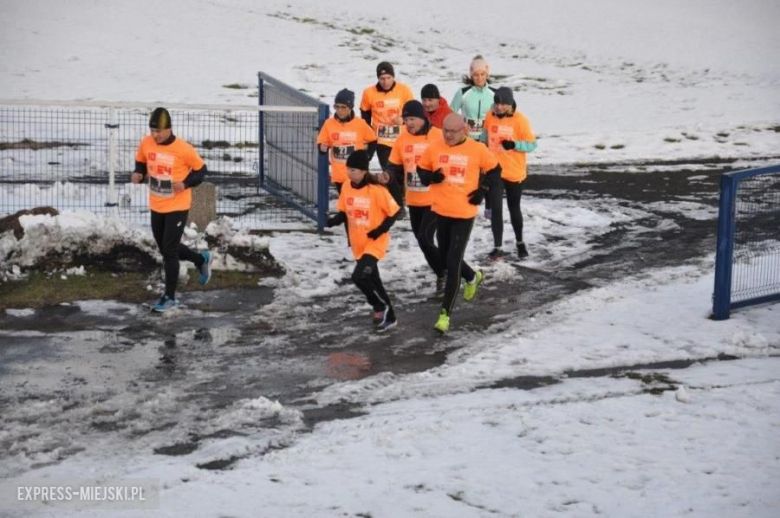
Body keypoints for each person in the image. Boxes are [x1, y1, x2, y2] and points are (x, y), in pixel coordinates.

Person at [417, 114, 501, 334]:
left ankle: (445, 315)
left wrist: (482, 190)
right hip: (440, 210)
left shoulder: (477, 149)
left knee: (453, 263)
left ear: (464, 130)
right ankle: (473, 276)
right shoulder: (434, 147)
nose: (448, 135)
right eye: (445, 130)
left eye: (453, 131)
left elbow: (495, 171)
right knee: (445, 259)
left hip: (464, 214)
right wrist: (430, 178)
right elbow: (422, 170)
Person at [131, 107, 213, 312]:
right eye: (152, 131)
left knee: (169, 250)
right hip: (156, 204)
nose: (155, 135)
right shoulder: (146, 143)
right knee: (168, 248)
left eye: (158, 131)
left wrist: (185, 183)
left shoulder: (183, 148)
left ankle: (169, 297)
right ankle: (201, 259)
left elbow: (201, 170)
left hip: (178, 205)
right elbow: (140, 162)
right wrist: (138, 174)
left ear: (169, 129)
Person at [326, 150, 401, 332]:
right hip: (358, 242)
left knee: (359, 276)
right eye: (348, 169)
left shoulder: (377, 190)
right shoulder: (346, 187)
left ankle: (379, 306)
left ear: (363, 171)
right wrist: (333, 221)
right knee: (374, 280)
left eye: (353, 170)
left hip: (375, 242)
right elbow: (345, 211)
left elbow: (395, 213)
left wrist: (380, 230)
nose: (349, 172)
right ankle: (390, 317)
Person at [386, 100, 445, 292]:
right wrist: (388, 174)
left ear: (422, 118)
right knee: (422, 241)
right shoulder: (402, 138)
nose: (408, 123)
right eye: (405, 119)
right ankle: (441, 272)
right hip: (413, 199)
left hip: (435, 198)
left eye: (412, 118)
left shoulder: (437, 135)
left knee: (426, 238)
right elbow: (393, 164)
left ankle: (447, 272)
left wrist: (437, 175)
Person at [480, 87, 537, 260]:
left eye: (503, 104)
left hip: (514, 172)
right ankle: (498, 247)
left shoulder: (520, 121)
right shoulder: (489, 116)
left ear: (510, 104)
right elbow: (484, 139)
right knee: (496, 209)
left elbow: (532, 145)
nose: (499, 107)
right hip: (495, 171)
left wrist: (514, 145)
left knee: (514, 208)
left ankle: (520, 242)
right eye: (497, 103)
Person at [360, 61, 414, 207]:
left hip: (402, 139)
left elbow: (413, 110)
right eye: (382, 78)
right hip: (382, 141)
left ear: (393, 77)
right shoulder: (369, 93)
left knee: (403, 172)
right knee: (388, 173)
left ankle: (402, 195)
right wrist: (369, 135)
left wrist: (403, 119)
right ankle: (398, 206)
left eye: (388, 78)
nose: (385, 82)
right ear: (378, 78)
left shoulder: (404, 90)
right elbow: (365, 115)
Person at [317, 88, 377, 195]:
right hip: (339, 175)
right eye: (337, 107)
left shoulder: (360, 124)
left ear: (350, 108)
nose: (339, 110)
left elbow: (373, 140)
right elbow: (322, 143)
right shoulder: (329, 124)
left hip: (357, 175)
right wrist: (322, 148)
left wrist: (368, 156)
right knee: (347, 203)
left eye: (343, 107)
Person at [450, 55, 496, 141]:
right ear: (471, 75)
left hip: (488, 139)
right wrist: (460, 126)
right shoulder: (462, 93)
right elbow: (450, 113)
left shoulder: (495, 94)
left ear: (487, 75)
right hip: (466, 138)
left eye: (482, 74)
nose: (479, 78)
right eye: (476, 75)